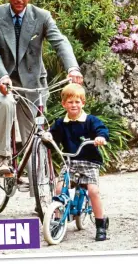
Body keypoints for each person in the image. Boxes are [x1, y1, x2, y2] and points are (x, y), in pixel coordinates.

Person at [0, 0, 83, 176]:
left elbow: (60, 42)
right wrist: (2, 76)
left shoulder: (42, 16)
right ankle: (2, 157)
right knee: (5, 102)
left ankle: (38, 191)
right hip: (3, 79)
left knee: (33, 134)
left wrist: (72, 68)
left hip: (32, 83)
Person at [48, 84, 109, 241]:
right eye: (70, 102)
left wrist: (100, 137)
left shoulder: (90, 121)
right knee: (59, 188)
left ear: (83, 103)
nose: (74, 105)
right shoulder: (61, 123)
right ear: (64, 104)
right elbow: (52, 137)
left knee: (93, 191)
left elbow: (101, 129)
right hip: (70, 160)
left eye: (77, 101)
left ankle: (100, 224)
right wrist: (47, 138)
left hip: (89, 162)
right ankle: (56, 220)